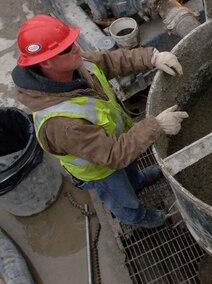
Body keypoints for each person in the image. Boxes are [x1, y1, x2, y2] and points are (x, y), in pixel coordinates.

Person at [11, 14, 189, 228]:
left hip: (117, 142)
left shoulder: (74, 64)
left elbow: (108, 61)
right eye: (67, 48)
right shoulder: (61, 124)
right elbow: (113, 155)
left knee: (131, 171)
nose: (76, 48)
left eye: (72, 42)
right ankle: (140, 218)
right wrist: (156, 125)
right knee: (123, 199)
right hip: (102, 169)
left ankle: (138, 181)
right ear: (46, 62)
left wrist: (151, 57)